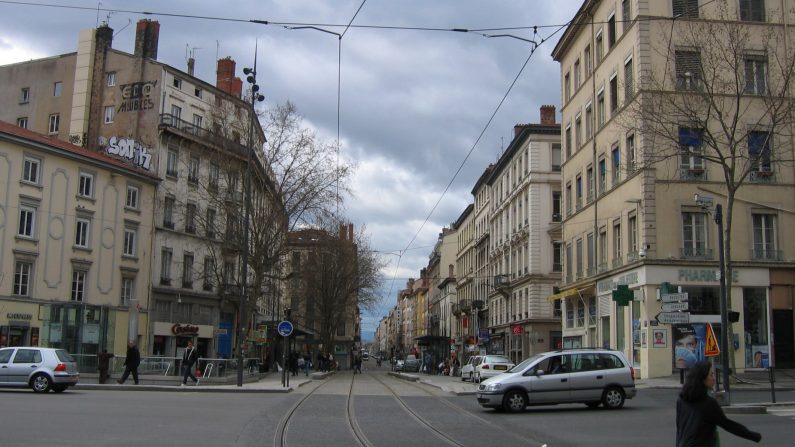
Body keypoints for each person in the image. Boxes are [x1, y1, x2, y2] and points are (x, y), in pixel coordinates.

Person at [676, 361, 762, 446]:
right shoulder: (708, 403)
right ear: (702, 379)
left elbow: (679, 428)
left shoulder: (682, 399)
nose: (714, 378)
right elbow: (727, 424)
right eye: (711, 375)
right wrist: (754, 436)